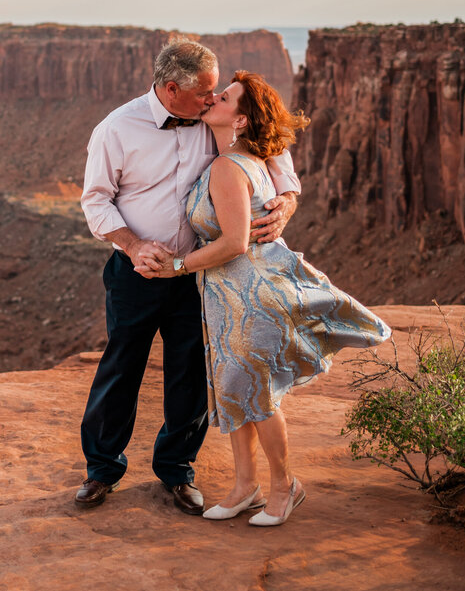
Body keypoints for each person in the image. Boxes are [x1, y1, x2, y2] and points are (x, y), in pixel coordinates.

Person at [138, 71, 391, 526]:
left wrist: (174, 267)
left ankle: (284, 486)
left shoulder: (227, 167)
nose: (214, 98)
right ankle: (243, 487)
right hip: (227, 297)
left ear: (240, 120)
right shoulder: (245, 157)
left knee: (258, 395)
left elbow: (234, 243)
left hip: (250, 295)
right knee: (236, 390)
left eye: (226, 97)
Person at [75, 40, 302, 514]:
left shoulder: (214, 120)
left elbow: (272, 153)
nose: (212, 100)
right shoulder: (117, 128)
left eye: (218, 93)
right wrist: (135, 245)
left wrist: (287, 202)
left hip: (200, 272)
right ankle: (101, 471)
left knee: (190, 374)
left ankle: (177, 471)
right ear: (172, 88)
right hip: (136, 273)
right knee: (121, 367)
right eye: (206, 92)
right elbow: (96, 200)